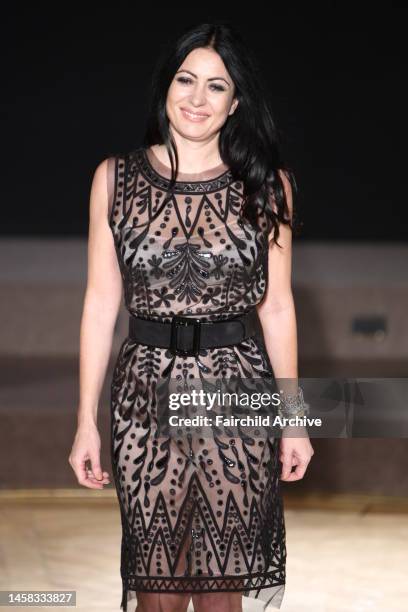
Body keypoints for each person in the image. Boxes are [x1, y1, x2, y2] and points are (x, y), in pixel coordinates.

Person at [69, 21, 314, 612]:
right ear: (166, 87)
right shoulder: (115, 180)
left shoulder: (266, 188)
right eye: (186, 80)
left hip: (237, 390)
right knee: (157, 584)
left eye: (216, 87)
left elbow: (277, 307)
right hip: (142, 398)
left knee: (220, 587)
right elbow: (100, 304)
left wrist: (295, 419)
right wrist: (85, 421)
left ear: (235, 105)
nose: (197, 99)